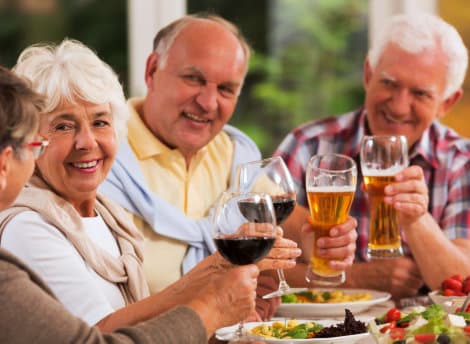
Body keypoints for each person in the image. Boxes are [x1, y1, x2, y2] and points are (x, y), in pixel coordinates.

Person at [0, 38, 293, 332]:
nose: (87, 142)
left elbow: (149, 327)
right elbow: (100, 335)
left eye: (100, 122)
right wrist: (214, 278)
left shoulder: (108, 215)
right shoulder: (28, 227)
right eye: (63, 126)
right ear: (32, 140)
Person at [99, 13, 358, 304]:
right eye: (193, 79)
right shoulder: (101, 154)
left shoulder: (232, 151)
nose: (208, 103)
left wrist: (322, 243)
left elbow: (286, 221)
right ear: (151, 71)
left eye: (225, 89)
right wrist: (218, 296)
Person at [275, 12, 470, 300]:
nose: (400, 106)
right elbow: (261, 269)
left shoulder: (461, 161)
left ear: (447, 102)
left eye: (420, 94)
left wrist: (417, 222)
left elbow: (464, 286)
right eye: (389, 83)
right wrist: (357, 278)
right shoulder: (307, 145)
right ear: (368, 75)